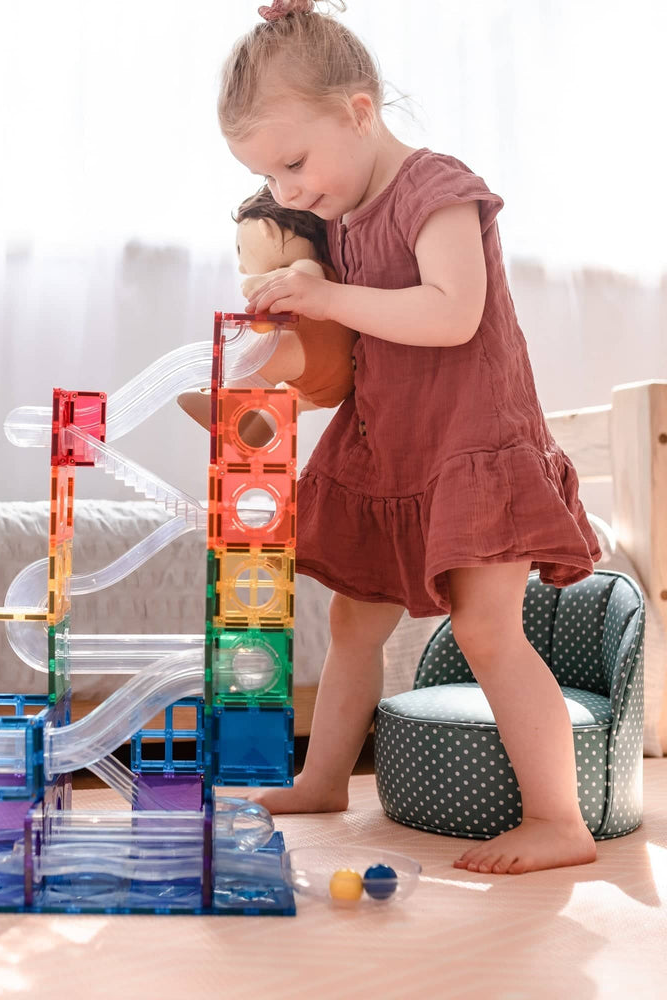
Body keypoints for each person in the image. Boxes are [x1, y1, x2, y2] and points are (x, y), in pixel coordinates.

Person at [218, 0, 602, 875]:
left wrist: (326, 295)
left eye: (294, 163)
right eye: (267, 176)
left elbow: (451, 312)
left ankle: (559, 820)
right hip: (392, 448)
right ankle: (324, 779)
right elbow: (344, 349)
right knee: (353, 619)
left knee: (487, 631)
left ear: (360, 111)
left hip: (474, 444)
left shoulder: (436, 189)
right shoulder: (339, 221)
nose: (287, 192)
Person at [177, 185, 357, 445]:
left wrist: (264, 282)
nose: (242, 267)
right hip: (324, 380)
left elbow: (301, 279)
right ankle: (259, 428)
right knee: (286, 396)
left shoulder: (308, 267)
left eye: (241, 250)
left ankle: (226, 406)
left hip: (321, 356)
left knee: (256, 358)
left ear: (266, 230)